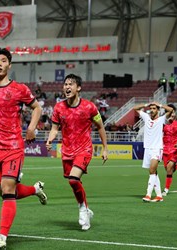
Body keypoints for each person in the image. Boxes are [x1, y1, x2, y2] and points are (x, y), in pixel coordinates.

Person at [0, 47, 47, 249]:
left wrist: (31, 128)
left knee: (6, 190)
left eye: (3, 60)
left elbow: (37, 108)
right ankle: (35, 189)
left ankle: (2, 238)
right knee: (6, 191)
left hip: (13, 146)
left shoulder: (19, 89)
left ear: (9, 65)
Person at [45, 73, 108, 231]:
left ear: (78, 88)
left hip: (84, 149)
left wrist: (105, 148)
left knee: (74, 179)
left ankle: (82, 209)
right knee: (73, 182)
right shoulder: (59, 108)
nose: (67, 87)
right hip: (67, 151)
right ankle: (85, 208)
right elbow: (54, 128)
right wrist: (50, 139)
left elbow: (100, 127)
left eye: (71, 84)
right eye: (65, 84)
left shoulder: (89, 107)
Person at [133, 102, 173, 202]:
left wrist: (159, 104)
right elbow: (135, 108)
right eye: (151, 108)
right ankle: (159, 195)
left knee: (151, 171)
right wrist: (146, 104)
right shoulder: (146, 117)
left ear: (158, 110)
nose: (152, 110)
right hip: (147, 149)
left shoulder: (161, 119)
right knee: (153, 172)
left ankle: (148, 194)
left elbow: (171, 110)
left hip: (157, 149)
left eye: (154, 108)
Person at [162, 104, 177, 196]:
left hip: (174, 148)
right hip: (165, 149)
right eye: (171, 113)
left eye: (174, 112)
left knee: (169, 169)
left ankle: (166, 190)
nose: (173, 114)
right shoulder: (163, 124)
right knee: (168, 169)